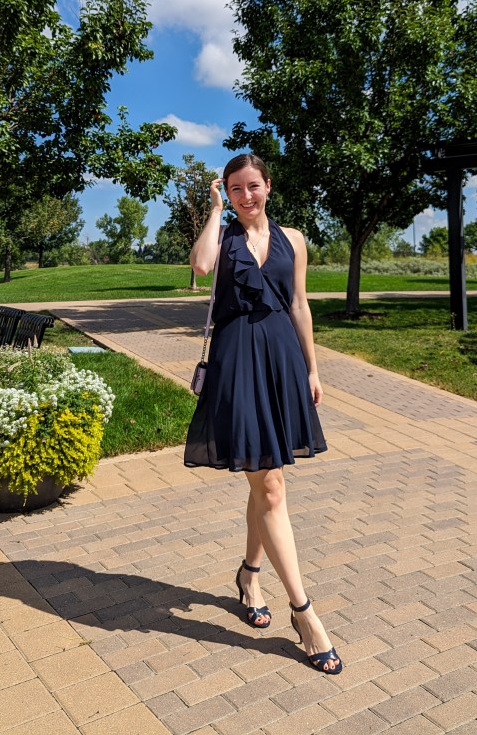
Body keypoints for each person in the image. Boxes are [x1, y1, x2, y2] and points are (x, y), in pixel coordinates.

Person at [184, 153, 342, 675]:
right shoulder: (224, 237)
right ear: (225, 192)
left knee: (265, 483)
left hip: (281, 361)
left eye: (252, 186)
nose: (245, 196)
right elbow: (200, 266)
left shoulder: (294, 239)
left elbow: (300, 304)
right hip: (237, 363)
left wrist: (312, 369)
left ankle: (250, 573)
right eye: (234, 189)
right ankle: (305, 613)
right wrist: (212, 210)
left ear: (268, 187)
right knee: (270, 486)